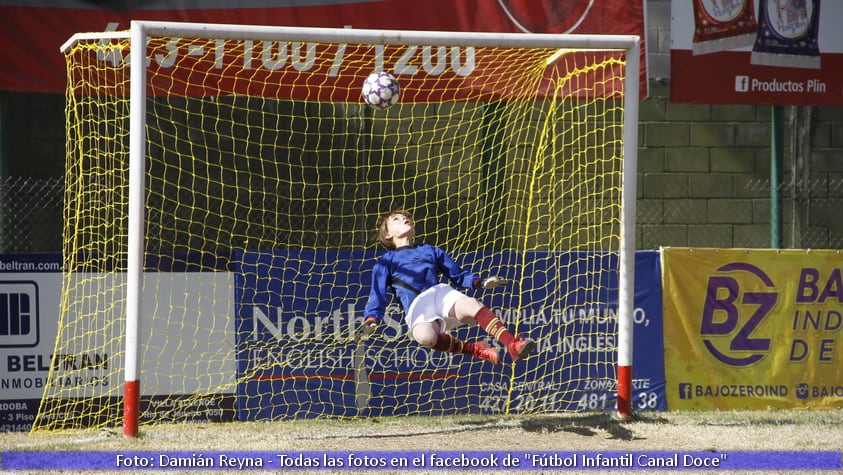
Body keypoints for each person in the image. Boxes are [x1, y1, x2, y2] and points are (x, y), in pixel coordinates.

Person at [362, 209, 536, 365]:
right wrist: (371, 318)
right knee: (425, 337)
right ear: (387, 235)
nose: (405, 219)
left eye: (406, 218)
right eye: (396, 220)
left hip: (439, 295)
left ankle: (512, 344)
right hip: (417, 307)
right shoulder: (385, 263)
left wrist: (480, 282)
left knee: (471, 304)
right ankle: (475, 349)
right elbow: (377, 294)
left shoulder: (430, 250)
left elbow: (457, 275)